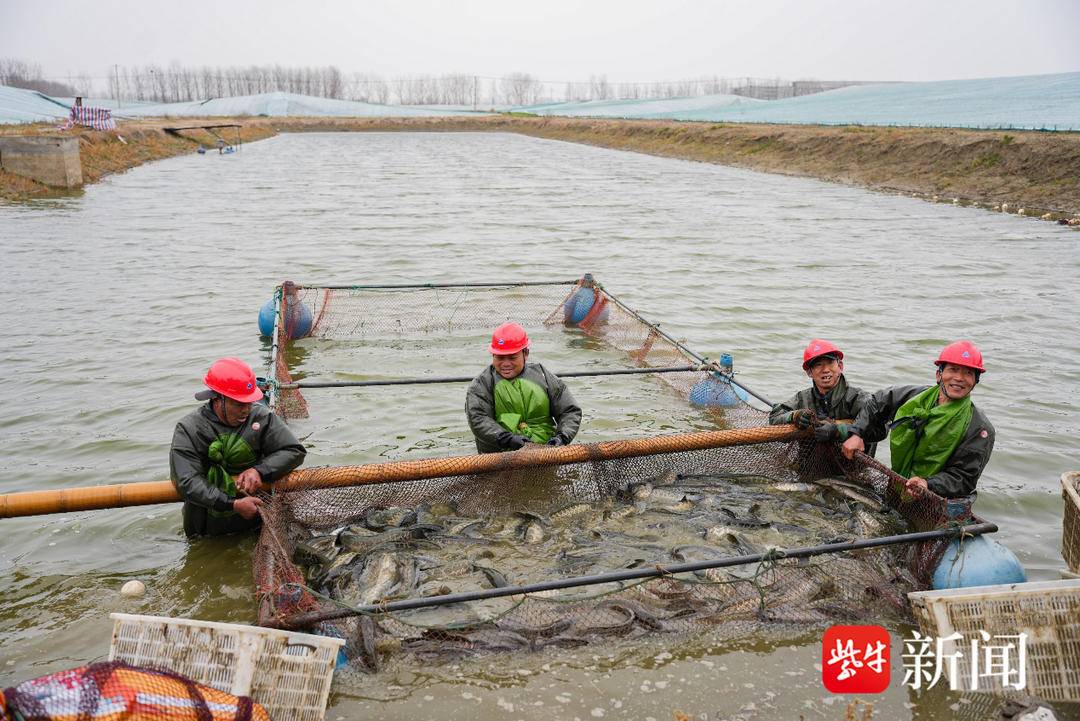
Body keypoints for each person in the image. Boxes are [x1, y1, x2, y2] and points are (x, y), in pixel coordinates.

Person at [170, 357, 306, 537]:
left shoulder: (261, 417)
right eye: (239, 404)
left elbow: (294, 451)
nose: (246, 410)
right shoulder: (189, 429)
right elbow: (186, 482)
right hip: (206, 527)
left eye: (250, 402)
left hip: (259, 519)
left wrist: (259, 470)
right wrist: (232, 504)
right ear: (217, 399)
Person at [841, 341, 994, 499]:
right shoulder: (916, 397)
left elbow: (963, 478)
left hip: (938, 499)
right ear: (939, 375)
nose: (959, 378)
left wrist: (927, 484)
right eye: (953, 370)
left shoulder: (980, 428)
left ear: (975, 381)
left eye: (968, 373)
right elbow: (877, 402)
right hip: (900, 483)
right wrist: (857, 433)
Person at [466, 322, 582, 453]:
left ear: (525, 353)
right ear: (493, 355)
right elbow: (478, 418)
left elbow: (570, 410)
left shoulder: (543, 375)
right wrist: (507, 439)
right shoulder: (481, 384)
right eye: (500, 357)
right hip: (498, 459)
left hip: (545, 454)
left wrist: (562, 437)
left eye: (512, 357)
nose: (505, 364)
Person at [769, 339, 869, 444]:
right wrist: (794, 416)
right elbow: (774, 417)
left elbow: (879, 426)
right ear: (809, 372)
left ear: (840, 366)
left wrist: (837, 430)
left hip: (851, 459)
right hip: (808, 460)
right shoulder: (803, 398)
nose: (825, 369)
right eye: (818, 365)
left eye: (830, 363)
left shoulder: (858, 398)